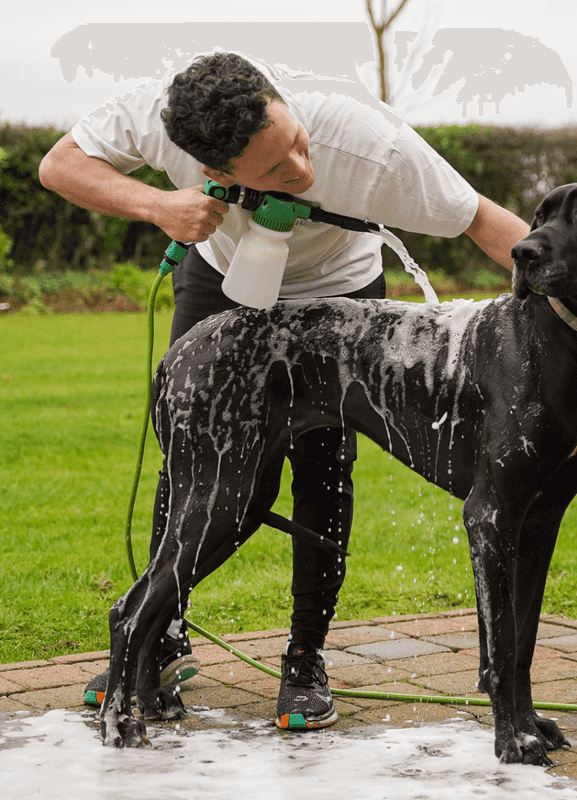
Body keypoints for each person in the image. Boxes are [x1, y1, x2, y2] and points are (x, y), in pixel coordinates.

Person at [39, 50, 531, 730]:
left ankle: (305, 659)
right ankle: (159, 639)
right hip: (222, 277)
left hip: (339, 292)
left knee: (324, 471)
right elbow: (59, 164)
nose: (301, 169)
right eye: (274, 170)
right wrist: (158, 205)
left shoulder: (370, 146)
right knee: (195, 473)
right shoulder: (157, 117)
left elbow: (485, 221)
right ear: (213, 171)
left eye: (296, 144)